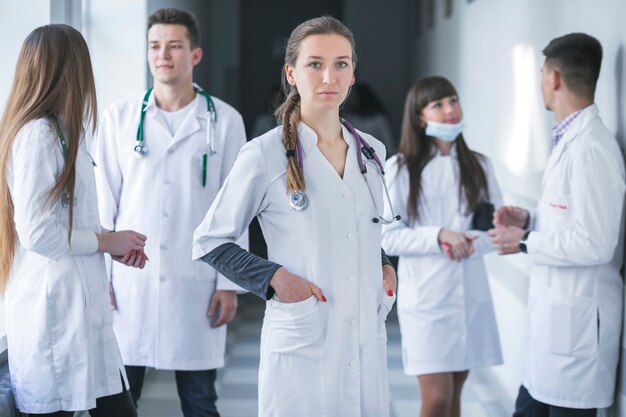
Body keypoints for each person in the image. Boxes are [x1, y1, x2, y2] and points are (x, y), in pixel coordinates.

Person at [192, 16, 397, 417]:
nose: (329, 77)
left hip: (364, 339)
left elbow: (362, 231)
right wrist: (273, 279)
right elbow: (210, 240)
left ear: (353, 73)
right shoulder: (264, 154)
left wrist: (384, 264)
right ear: (291, 72)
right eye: (315, 63)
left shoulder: (371, 152)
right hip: (305, 336)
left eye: (341, 64)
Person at [95, 8, 247, 417]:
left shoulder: (225, 121)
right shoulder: (119, 118)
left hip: (194, 282)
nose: (163, 55)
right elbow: (104, 203)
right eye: (155, 46)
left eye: (174, 46)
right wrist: (101, 277)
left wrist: (229, 284)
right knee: (118, 403)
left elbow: (236, 209)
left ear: (195, 55)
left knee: (200, 403)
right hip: (130, 285)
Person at [0, 24, 146, 416]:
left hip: (80, 312)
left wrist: (112, 239)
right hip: (54, 314)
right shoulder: (37, 136)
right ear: (70, 69)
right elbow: (39, 233)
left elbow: (68, 216)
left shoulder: (67, 132)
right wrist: (105, 242)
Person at [488, 33, 625, 417]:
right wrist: (530, 220)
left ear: (553, 78)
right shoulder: (572, 140)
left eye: (541, 74)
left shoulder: (593, 148)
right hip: (554, 338)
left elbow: (596, 243)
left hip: (577, 341)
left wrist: (526, 239)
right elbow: (576, 218)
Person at [381, 76, 503, 417]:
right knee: (435, 399)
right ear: (420, 118)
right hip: (428, 301)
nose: (449, 109)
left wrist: (467, 242)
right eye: (437, 105)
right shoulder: (401, 169)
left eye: (453, 100)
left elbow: (497, 230)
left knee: (453, 400)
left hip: (470, 296)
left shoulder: (479, 165)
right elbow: (388, 236)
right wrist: (438, 236)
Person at [342, 82, 396, 156]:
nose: (352, 100)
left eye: (355, 97)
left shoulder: (378, 119)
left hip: (373, 158)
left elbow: (388, 146)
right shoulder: (349, 117)